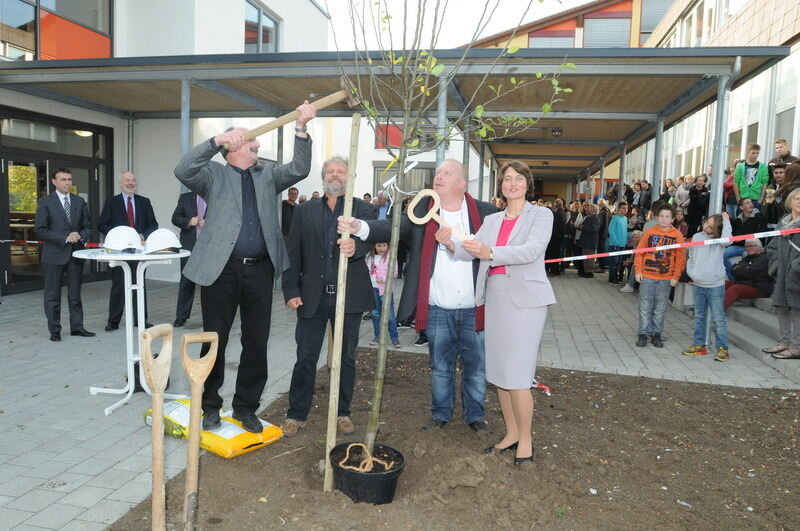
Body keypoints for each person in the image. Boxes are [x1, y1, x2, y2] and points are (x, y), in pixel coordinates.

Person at [173, 100, 316, 433]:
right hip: (220, 271)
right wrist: (215, 141)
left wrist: (302, 128)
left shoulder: (267, 175)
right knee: (215, 339)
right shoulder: (213, 175)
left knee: (256, 340)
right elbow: (183, 170)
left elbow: (299, 168)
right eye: (253, 140)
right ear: (234, 148)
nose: (259, 143)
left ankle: (246, 407)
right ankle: (210, 406)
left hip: (260, 270)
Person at [338, 159, 496, 432]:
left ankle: (475, 416)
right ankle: (440, 414)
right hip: (438, 308)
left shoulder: (485, 213)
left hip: (475, 309)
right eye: (437, 173)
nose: (438, 177)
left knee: (477, 369)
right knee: (440, 368)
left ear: (462, 183)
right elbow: (391, 228)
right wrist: (360, 228)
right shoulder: (422, 211)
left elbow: (501, 248)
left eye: (447, 173)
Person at [445, 160, 554, 466]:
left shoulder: (541, 215)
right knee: (501, 375)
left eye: (518, 179)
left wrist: (491, 252)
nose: (512, 184)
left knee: (518, 376)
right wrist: (451, 244)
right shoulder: (492, 220)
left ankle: (527, 441)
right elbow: (472, 248)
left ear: (527, 184)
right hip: (496, 299)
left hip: (527, 302)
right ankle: (511, 434)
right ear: (501, 185)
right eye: (507, 179)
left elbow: (531, 250)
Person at [281, 156, 375, 437]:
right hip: (312, 297)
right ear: (323, 177)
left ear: (350, 176)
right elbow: (293, 253)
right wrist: (291, 290)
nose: (335, 175)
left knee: (346, 357)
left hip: (350, 296)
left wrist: (355, 249)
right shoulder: (305, 211)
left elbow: (369, 241)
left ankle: (343, 413)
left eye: (341, 171)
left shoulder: (364, 209)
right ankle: (296, 414)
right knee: (305, 357)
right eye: (330, 171)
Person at [34, 167, 95, 342]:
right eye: (63, 179)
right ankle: (55, 330)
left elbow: (88, 226)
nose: (67, 183)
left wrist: (80, 236)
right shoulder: (46, 202)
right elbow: (40, 230)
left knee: (75, 294)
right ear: (54, 182)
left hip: (75, 255)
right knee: (52, 296)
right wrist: (64, 238)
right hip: (53, 255)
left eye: (69, 179)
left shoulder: (79, 201)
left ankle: (77, 327)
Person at [98, 171, 158, 331]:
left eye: (133, 180)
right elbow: (102, 224)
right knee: (118, 286)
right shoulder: (112, 202)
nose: (130, 183)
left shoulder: (144, 202)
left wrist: (143, 235)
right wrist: (118, 236)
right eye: (127, 180)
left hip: (139, 252)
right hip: (119, 251)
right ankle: (113, 322)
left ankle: (141, 320)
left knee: (140, 284)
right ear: (121, 183)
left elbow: (153, 224)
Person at [634, 204, 686, 348]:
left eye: (667, 216)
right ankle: (643, 333)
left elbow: (680, 258)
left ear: (673, 219)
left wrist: (676, 276)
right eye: (662, 216)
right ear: (657, 217)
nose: (664, 219)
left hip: (665, 278)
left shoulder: (677, 235)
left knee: (660, 308)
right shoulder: (649, 232)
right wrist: (638, 271)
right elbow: (640, 252)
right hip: (647, 276)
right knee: (645, 306)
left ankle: (656, 334)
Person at [682, 213, 732, 362]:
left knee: (718, 318)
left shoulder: (720, 240)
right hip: (698, 283)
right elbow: (691, 255)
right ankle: (699, 345)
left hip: (715, 284)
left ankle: (722, 349)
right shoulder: (697, 237)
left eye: (711, 226)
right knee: (699, 316)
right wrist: (691, 272)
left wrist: (727, 221)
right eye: (706, 223)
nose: (707, 227)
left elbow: (727, 240)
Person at [764, 188, 800, 359]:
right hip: (781, 273)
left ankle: (796, 347)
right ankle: (784, 342)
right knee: (781, 308)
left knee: (796, 310)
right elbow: (771, 246)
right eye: (797, 198)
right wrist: (776, 265)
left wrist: (795, 267)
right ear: (790, 201)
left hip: (796, 275)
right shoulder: (783, 222)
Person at [171, 191, 205, 327]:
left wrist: (211, 223)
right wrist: (188, 221)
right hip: (189, 247)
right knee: (186, 282)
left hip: (210, 247)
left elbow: (225, 217)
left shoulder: (216, 196)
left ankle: (211, 316)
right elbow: (175, 218)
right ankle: (181, 317)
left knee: (211, 285)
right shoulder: (185, 198)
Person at [367, 241, 401, 348]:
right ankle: (378, 336)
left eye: (384, 245)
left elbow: (394, 273)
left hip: (385, 290)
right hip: (373, 289)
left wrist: (385, 279)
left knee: (390, 315)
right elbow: (366, 271)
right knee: (375, 313)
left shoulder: (391, 257)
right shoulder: (370, 257)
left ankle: (394, 337)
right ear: (374, 246)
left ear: (388, 245)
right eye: (379, 246)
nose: (382, 248)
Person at [724, 198, 767, 280]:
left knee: (746, 257)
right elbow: (735, 234)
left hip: (753, 246)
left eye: (751, 202)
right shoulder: (738, 219)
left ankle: (745, 281)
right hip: (739, 246)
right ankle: (733, 278)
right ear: (741, 207)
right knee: (723, 254)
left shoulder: (759, 217)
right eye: (747, 203)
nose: (751, 204)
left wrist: (742, 239)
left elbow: (760, 235)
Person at [724, 239, 773, 309]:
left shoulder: (764, 258)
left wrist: (741, 270)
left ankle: (718, 313)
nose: (749, 248)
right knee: (722, 283)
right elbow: (734, 270)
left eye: (753, 246)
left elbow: (750, 272)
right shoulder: (747, 258)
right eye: (747, 246)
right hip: (746, 284)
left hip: (759, 288)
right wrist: (744, 270)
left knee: (735, 289)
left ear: (759, 247)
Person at [733, 144, 769, 210]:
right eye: (753, 153)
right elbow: (735, 183)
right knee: (741, 219)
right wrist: (738, 199)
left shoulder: (763, 167)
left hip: (756, 199)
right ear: (748, 153)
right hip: (743, 198)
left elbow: (765, 183)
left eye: (757, 153)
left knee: (756, 219)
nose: (755, 155)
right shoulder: (740, 167)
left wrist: (761, 199)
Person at [575, 203, 599, 278]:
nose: (586, 209)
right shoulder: (589, 217)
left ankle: (589, 272)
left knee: (589, 257)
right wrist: (580, 227)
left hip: (590, 241)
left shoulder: (595, 218)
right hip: (586, 241)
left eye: (589, 208)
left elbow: (594, 228)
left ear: (593, 209)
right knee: (585, 257)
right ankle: (586, 271)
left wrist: (582, 227)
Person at [607, 202, 629, 284]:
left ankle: (616, 277)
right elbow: (611, 230)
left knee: (619, 263)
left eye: (626, 208)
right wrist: (616, 241)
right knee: (614, 262)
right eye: (623, 208)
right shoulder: (615, 218)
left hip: (622, 244)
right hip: (614, 244)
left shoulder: (625, 219)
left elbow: (625, 231)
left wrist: (625, 241)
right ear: (619, 209)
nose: (625, 210)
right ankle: (611, 279)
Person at [545, 198, 567, 276]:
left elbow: (553, 226)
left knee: (553, 254)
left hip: (555, 238)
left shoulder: (557, 213)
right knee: (556, 254)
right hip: (559, 237)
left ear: (555, 205)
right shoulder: (563, 212)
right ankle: (555, 269)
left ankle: (554, 270)